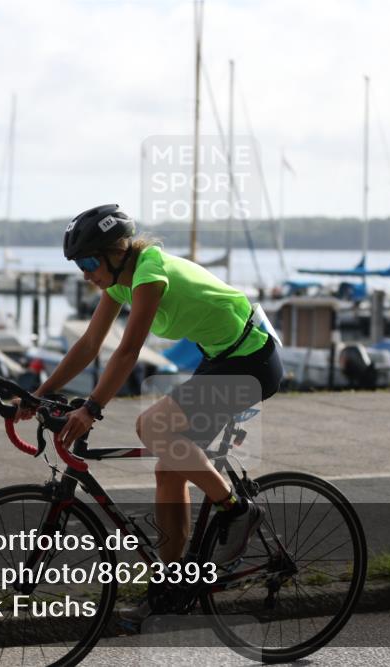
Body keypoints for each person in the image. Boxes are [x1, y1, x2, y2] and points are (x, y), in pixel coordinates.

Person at [15, 204, 284, 618]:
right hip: (221, 357)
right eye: (78, 265)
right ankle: (170, 591)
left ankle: (237, 511)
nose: (85, 273)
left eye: (88, 261)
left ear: (116, 250)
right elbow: (89, 345)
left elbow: (127, 351)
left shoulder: (148, 273)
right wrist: (39, 393)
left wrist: (91, 408)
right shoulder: (119, 282)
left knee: (153, 426)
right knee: (168, 469)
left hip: (252, 360)